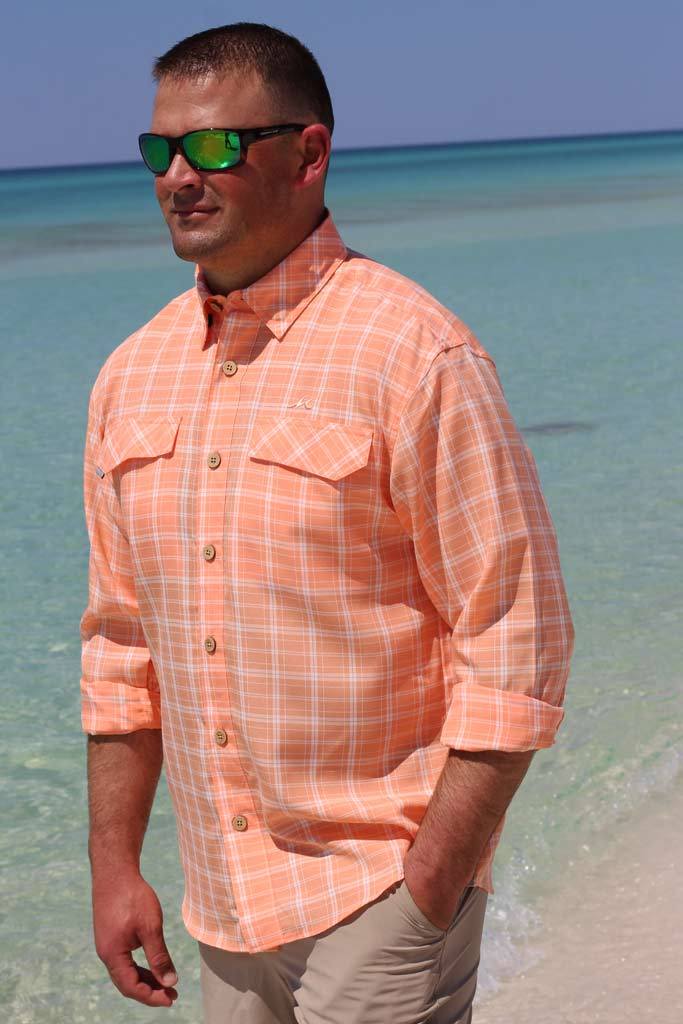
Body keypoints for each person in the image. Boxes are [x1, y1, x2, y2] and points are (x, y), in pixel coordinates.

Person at [81, 21, 575, 1024]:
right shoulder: (129, 376)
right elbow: (122, 650)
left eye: (216, 145)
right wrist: (115, 868)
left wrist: (431, 882)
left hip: (377, 894)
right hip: (222, 907)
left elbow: (517, 637)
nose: (179, 173)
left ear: (308, 154)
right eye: (159, 149)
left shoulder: (413, 353)